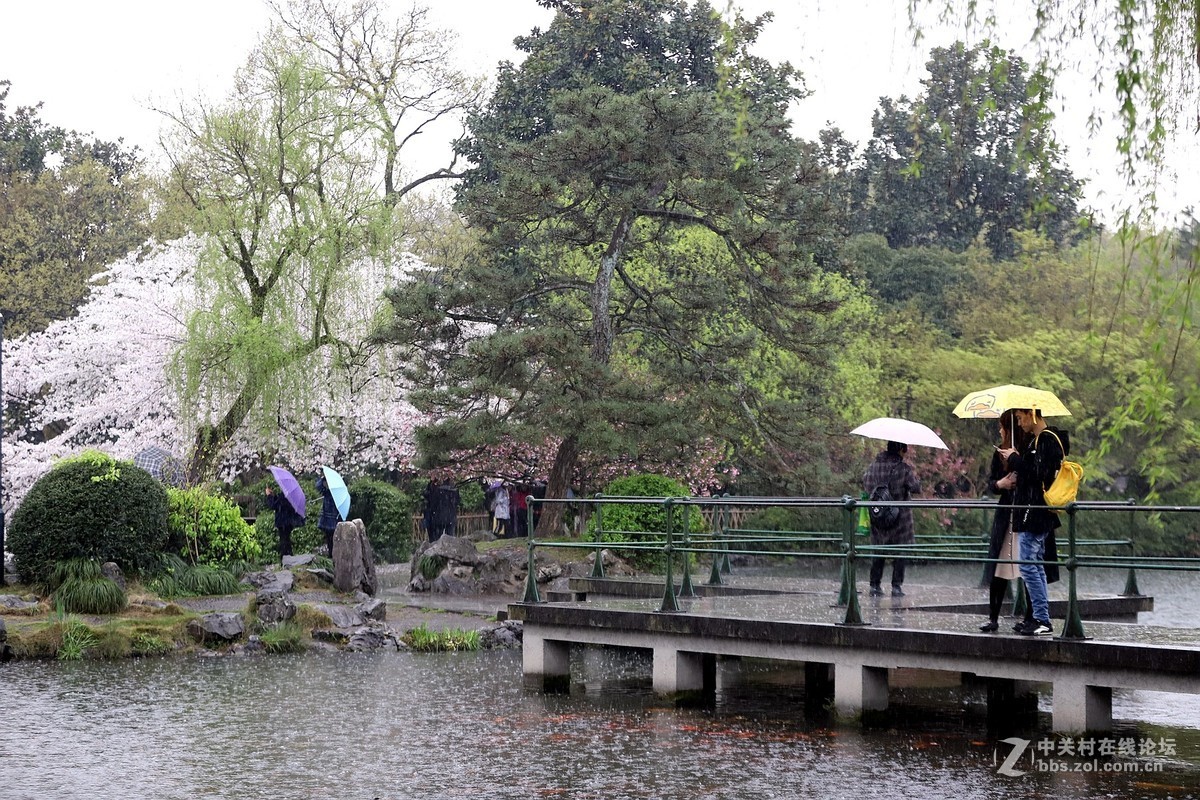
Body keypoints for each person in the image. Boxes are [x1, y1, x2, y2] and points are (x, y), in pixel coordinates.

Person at [997, 407, 1067, 636]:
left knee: (1028, 564)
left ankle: (1042, 619)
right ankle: (1040, 617)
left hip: (1035, 512)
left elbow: (1038, 474)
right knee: (1033, 564)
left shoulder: (1046, 440)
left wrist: (1015, 459)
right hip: (1036, 512)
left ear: (1031, 414)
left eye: (1020, 418)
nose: (1019, 424)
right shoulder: (1039, 441)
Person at [978, 410, 1029, 631]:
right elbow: (991, 484)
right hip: (1005, 514)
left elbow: (1034, 477)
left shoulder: (1027, 450)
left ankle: (1031, 616)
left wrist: (1018, 462)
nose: (999, 430)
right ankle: (993, 617)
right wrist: (1002, 484)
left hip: (1024, 514)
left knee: (1029, 566)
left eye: (1002, 426)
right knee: (1000, 564)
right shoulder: (999, 454)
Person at [863, 440, 922, 597]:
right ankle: (896, 586)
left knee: (878, 550)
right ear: (901, 449)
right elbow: (916, 488)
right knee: (900, 551)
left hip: (879, 515)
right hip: (899, 517)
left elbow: (866, 484)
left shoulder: (873, 466)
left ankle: (875, 585)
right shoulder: (903, 469)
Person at [264, 485, 304, 560]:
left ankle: (285, 558)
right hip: (288, 521)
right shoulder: (290, 494)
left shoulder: (285, 494)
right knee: (286, 539)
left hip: (283, 521)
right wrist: (274, 496)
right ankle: (288, 557)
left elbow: (274, 505)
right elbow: (280, 502)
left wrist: (269, 495)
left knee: (284, 540)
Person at [428, 477, 461, 542]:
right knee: (450, 536)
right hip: (450, 515)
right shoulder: (453, 489)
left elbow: (433, 503)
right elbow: (457, 501)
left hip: (439, 516)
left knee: (438, 537)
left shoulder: (437, 490)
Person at [316, 473, 339, 559]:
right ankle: (331, 556)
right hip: (331, 520)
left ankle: (332, 556)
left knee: (332, 540)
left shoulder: (331, 494)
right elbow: (318, 487)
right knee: (330, 540)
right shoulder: (328, 493)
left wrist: (322, 479)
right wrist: (323, 479)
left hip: (331, 520)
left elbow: (318, 487)